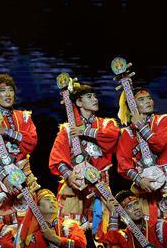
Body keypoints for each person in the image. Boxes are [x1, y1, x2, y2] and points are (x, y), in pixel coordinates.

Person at [116, 87, 167, 236]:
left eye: (149, 98)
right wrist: (139, 180)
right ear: (132, 106)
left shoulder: (163, 120)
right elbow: (123, 164)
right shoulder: (128, 133)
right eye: (141, 99)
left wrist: (141, 125)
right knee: (150, 230)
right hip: (146, 190)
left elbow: (159, 145)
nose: (148, 101)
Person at [49, 82, 119, 226]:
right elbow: (57, 158)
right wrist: (69, 176)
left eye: (95, 96)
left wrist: (84, 131)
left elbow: (112, 137)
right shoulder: (67, 129)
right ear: (79, 102)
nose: (95, 99)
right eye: (89, 97)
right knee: (70, 228)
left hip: (100, 185)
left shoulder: (106, 124)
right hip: (75, 185)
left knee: (102, 229)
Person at [0, 73, 39, 227]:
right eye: (3, 90)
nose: (8, 94)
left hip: (23, 174)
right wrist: (4, 178)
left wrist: (6, 132)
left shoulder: (23, 117)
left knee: (29, 222)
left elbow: (31, 142)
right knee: (2, 221)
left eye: (11, 90)